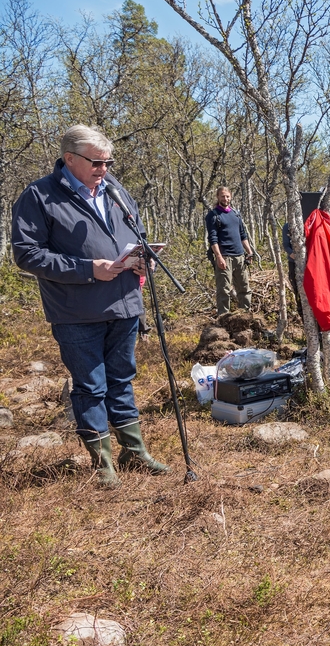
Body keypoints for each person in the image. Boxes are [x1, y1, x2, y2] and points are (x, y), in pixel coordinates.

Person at [11, 124, 170, 487]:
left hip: (124, 304)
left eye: (108, 162)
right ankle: (102, 466)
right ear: (70, 159)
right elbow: (26, 254)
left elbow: (136, 233)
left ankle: (135, 452)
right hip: (76, 311)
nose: (104, 169)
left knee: (122, 381)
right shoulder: (39, 196)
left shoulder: (115, 191)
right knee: (90, 386)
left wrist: (142, 258)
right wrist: (87, 269)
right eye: (96, 162)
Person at [206, 186, 256, 315]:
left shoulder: (235, 214)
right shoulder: (213, 215)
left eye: (227, 196)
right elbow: (213, 239)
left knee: (244, 288)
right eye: (222, 196)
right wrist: (219, 257)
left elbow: (242, 235)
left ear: (231, 197)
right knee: (224, 290)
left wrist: (249, 252)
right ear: (218, 197)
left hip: (240, 256)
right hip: (225, 257)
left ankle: (245, 316)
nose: (225, 198)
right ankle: (223, 318)